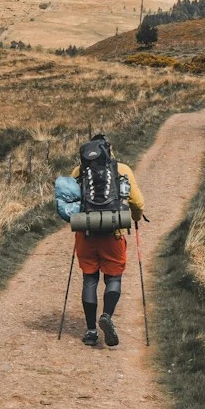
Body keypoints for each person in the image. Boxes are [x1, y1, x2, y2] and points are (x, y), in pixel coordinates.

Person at [68, 132, 144, 348]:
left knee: (89, 279)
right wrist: (136, 218)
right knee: (113, 278)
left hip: (86, 232)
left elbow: (71, 201)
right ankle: (107, 316)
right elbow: (137, 202)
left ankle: (91, 331)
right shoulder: (122, 169)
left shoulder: (79, 171)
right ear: (109, 149)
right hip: (114, 232)